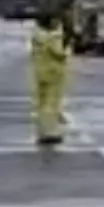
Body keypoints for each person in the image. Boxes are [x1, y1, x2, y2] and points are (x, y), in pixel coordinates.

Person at [30, 12, 69, 145]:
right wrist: (67, 48)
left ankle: (41, 131)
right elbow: (59, 53)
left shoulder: (37, 36)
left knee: (41, 104)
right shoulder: (53, 37)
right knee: (51, 105)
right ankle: (50, 132)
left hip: (40, 71)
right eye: (55, 21)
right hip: (53, 73)